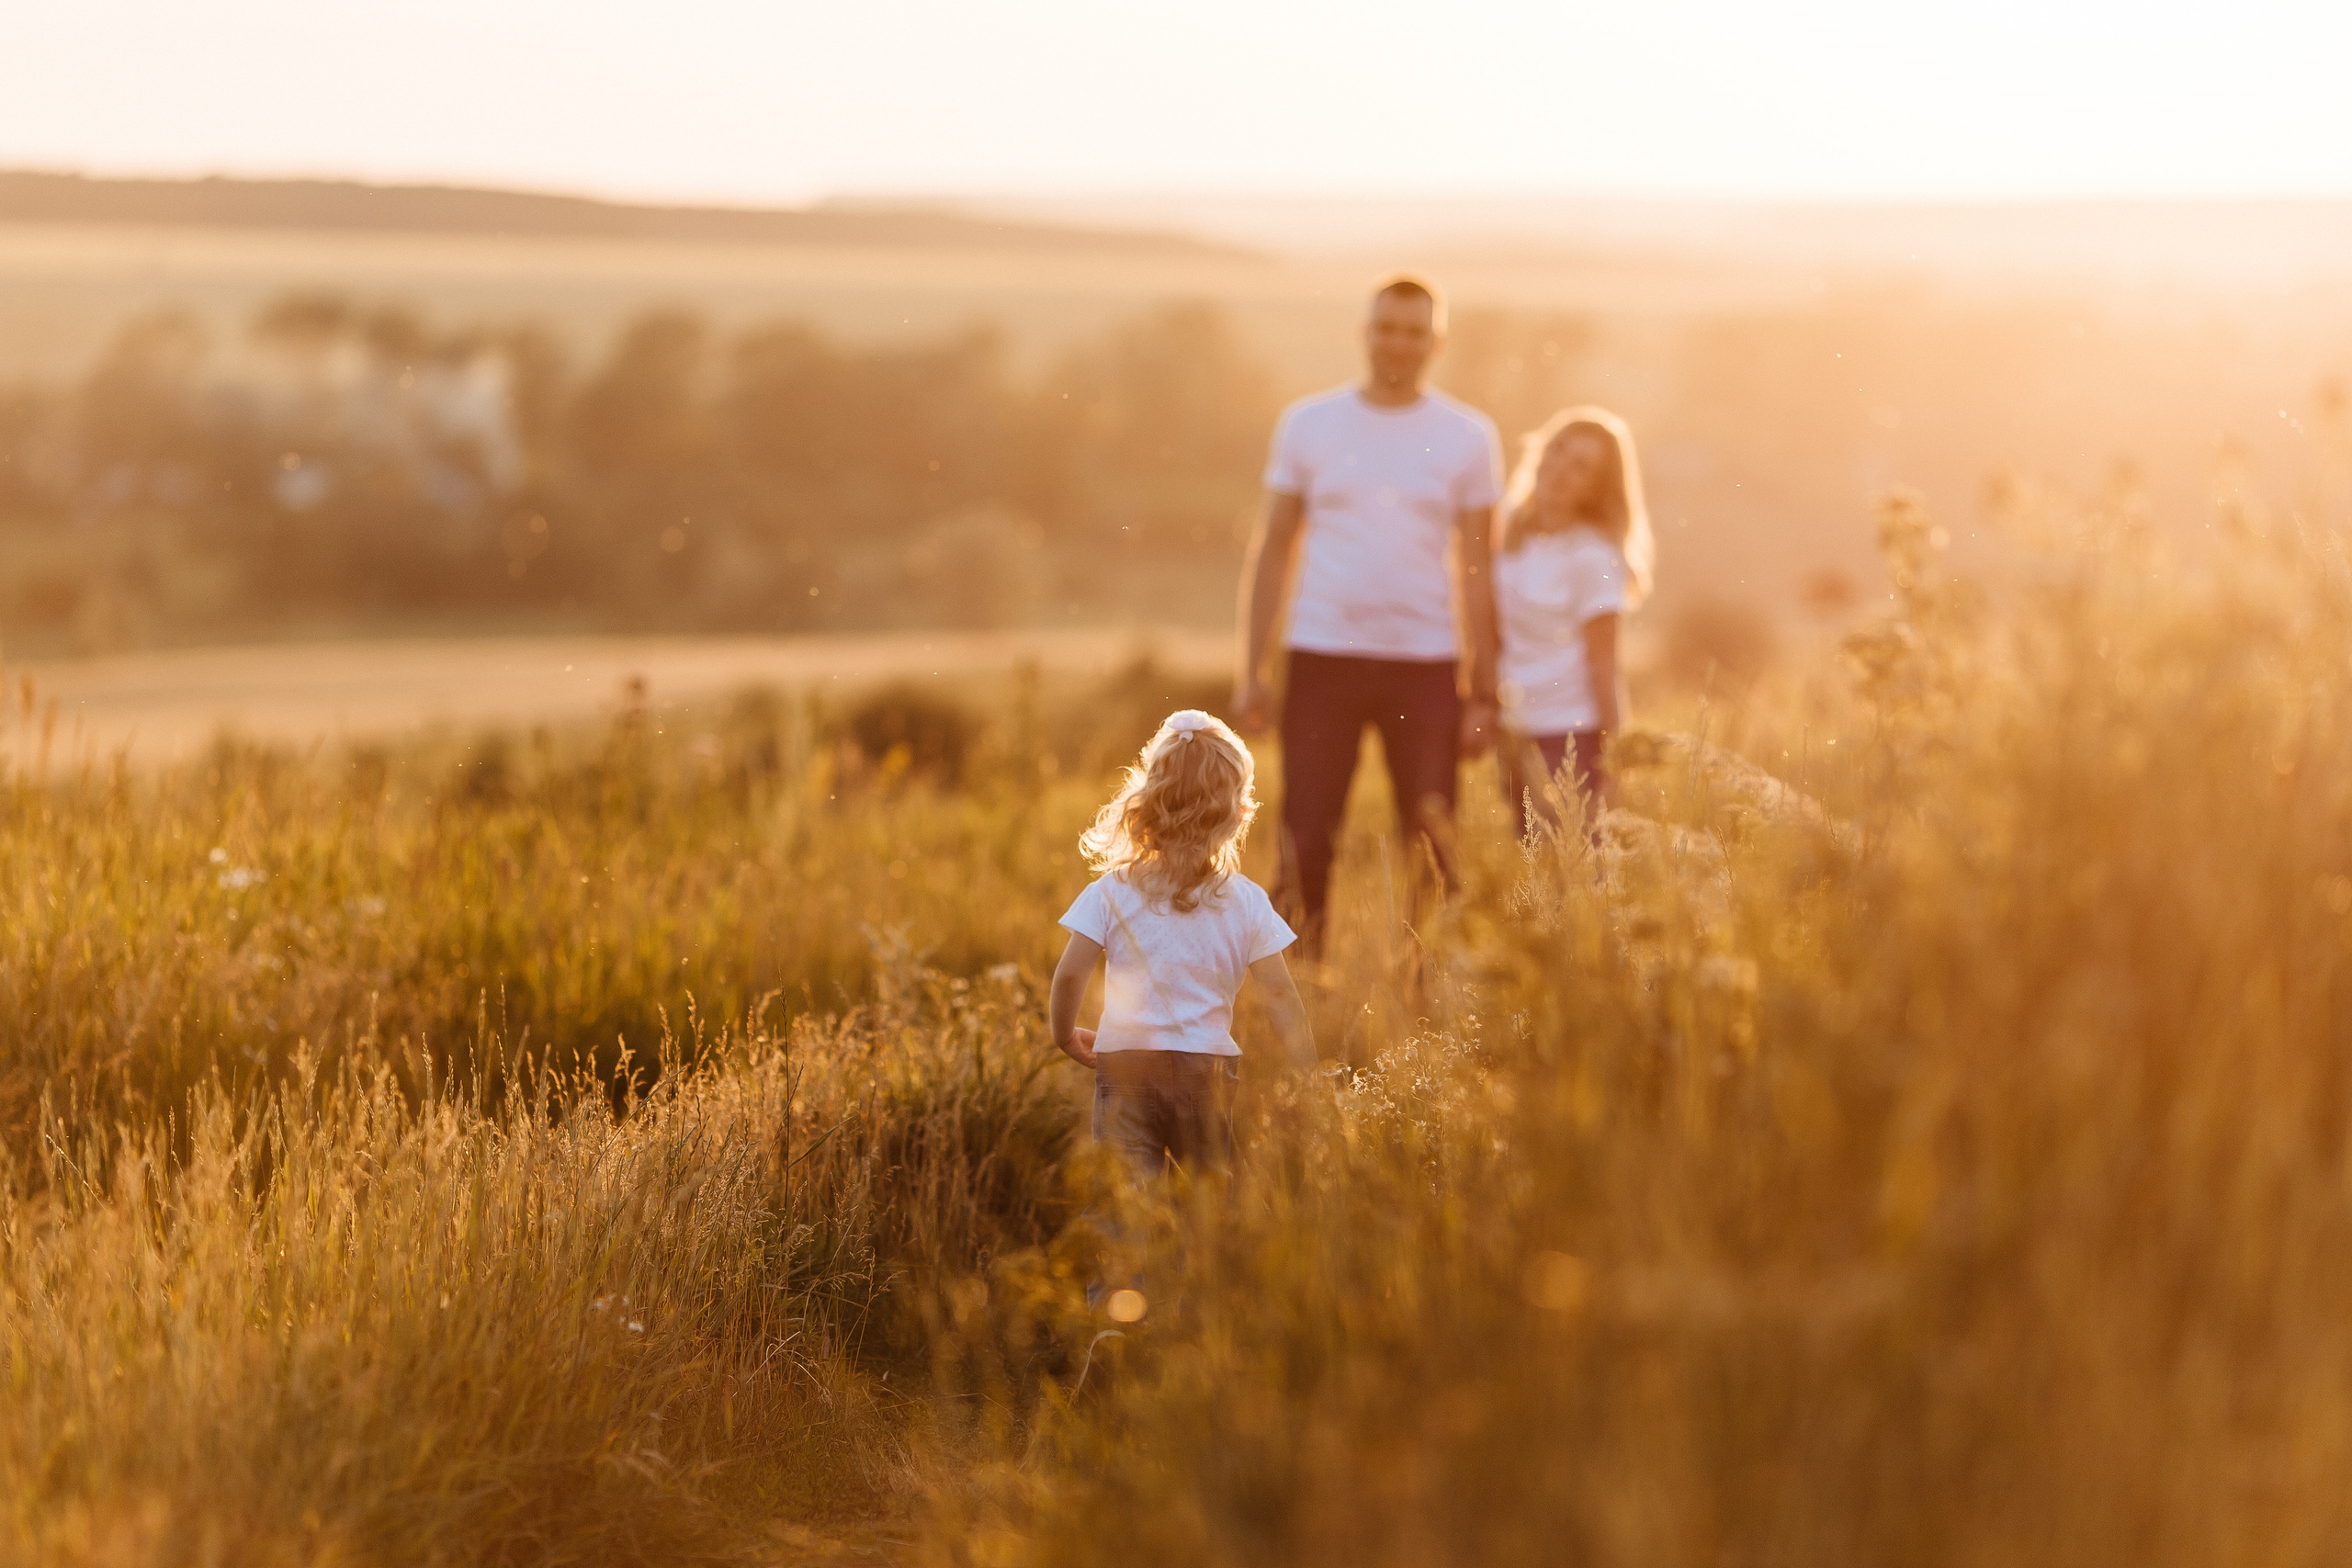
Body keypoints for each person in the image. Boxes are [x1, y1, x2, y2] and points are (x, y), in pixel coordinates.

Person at [1232, 276, 1506, 952]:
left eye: (1415, 332)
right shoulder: (1308, 423)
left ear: (1437, 342)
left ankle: (1427, 990)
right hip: (1321, 656)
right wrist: (1251, 670)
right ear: (1365, 332)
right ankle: (1299, 988)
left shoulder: (1469, 435)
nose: (1399, 343)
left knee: (1434, 843)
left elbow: (1479, 567)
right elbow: (1274, 549)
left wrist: (1485, 690)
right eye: (1387, 328)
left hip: (1426, 666)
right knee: (1304, 835)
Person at [1049, 709, 1317, 1178]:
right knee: (1205, 1190)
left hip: (1127, 1066)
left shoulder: (1111, 891)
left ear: (1147, 801)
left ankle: (1132, 1229)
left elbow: (1071, 973)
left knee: (1125, 1192)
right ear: (1238, 814)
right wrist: (1308, 1070)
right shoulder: (1247, 901)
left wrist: (1064, 1033)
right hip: (1206, 1068)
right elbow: (1279, 993)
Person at [1492, 406, 1655, 840]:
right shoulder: (1507, 533)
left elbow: (1606, 667)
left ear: (1595, 490)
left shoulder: (1593, 557)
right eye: (1559, 449)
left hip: (1569, 737)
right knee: (1530, 864)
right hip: (1511, 731)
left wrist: (1615, 763)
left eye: (1581, 467)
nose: (1561, 468)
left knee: (1573, 864)